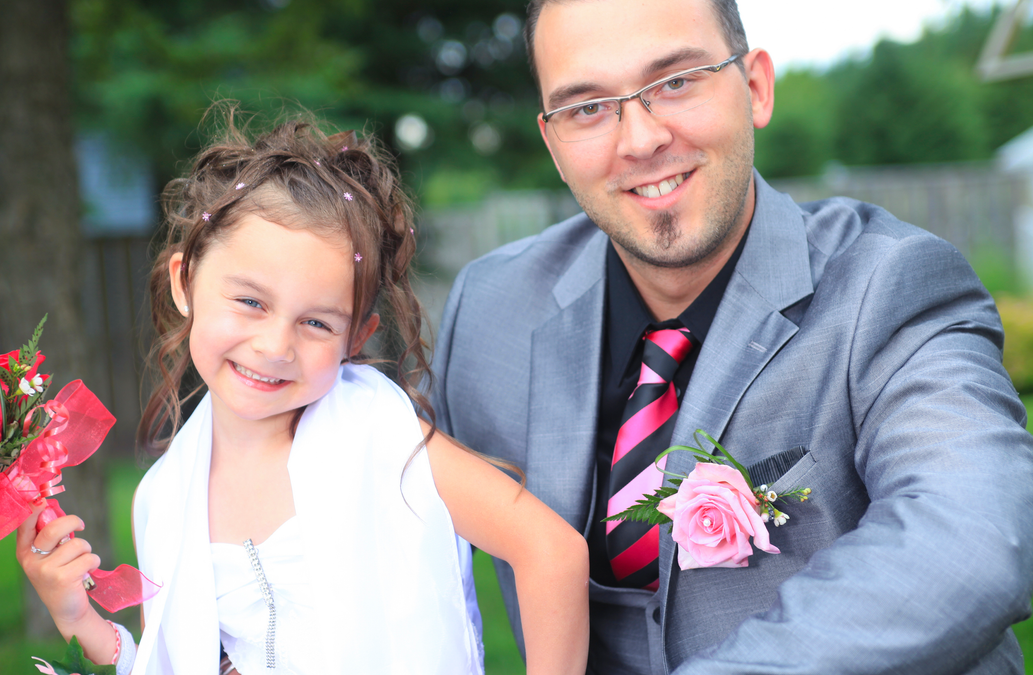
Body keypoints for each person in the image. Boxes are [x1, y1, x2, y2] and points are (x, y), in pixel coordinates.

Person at [428, 0, 1033, 673]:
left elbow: (972, 538)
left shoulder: (890, 285)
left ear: (755, 89)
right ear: (554, 145)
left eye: (676, 81)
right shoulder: (489, 310)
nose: (639, 138)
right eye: (588, 107)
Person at [17, 109, 589, 675]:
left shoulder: (382, 440)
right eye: (250, 301)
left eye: (317, 322)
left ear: (356, 336)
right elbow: (178, 661)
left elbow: (552, 554)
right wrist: (75, 616)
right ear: (184, 282)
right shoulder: (164, 497)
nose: (274, 346)